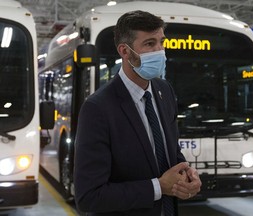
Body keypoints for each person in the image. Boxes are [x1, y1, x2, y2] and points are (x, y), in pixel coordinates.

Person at [74, 10, 201, 216]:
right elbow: (89, 197)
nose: (160, 51)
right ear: (125, 51)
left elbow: (172, 154)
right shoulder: (98, 108)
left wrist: (187, 176)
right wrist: (159, 187)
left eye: (161, 42)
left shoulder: (164, 91)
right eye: (150, 44)